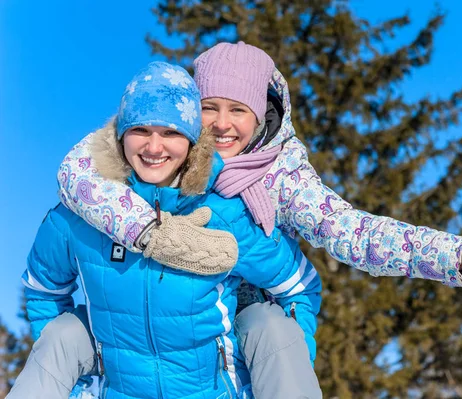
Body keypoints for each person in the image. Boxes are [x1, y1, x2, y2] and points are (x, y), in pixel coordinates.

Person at [14, 42, 462, 398]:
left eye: (239, 111)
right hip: (136, 333)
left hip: (234, 333)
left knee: (271, 327)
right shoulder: (136, 159)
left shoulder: (280, 175)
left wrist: (461, 257)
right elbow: (78, 170)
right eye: (209, 107)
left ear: (262, 115)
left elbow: (356, 235)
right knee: (66, 333)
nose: (222, 125)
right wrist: (148, 232)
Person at [9, 61, 321, 399]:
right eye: (141, 130)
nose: (154, 148)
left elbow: (298, 286)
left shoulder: (223, 212)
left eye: (171, 132)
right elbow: (43, 290)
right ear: (122, 134)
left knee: (268, 322)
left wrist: (292, 361)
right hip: (119, 391)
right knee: (65, 331)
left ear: (191, 141)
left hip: (211, 392)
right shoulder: (80, 217)